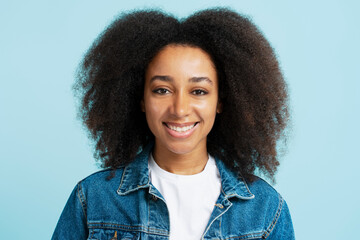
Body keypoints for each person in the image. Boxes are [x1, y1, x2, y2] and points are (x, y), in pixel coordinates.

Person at [52, 7, 295, 240]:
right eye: (162, 90)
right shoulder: (93, 200)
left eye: (198, 91)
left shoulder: (265, 209)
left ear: (220, 101)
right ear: (140, 99)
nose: (180, 109)